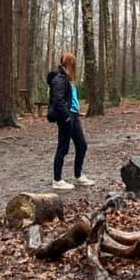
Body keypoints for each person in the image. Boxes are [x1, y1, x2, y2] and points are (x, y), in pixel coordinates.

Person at [46, 52, 93, 190]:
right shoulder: (60, 79)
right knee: (63, 147)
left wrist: (77, 111)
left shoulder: (69, 79)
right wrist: (66, 116)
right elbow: (58, 100)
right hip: (66, 117)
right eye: (73, 64)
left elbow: (71, 99)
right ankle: (57, 179)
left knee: (82, 145)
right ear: (69, 63)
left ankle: (78, 176)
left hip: (74, 116)